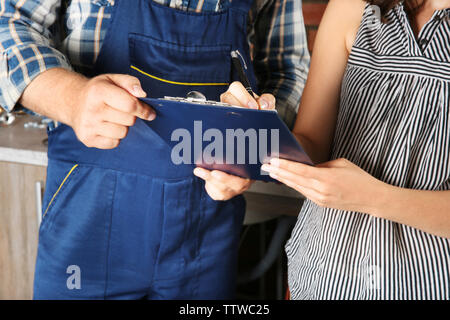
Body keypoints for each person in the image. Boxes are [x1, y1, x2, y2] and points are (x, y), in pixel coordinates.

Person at [0, 0, 309, 299]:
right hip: (86, 217)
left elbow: (286, 70)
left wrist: (250, 146)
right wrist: (72, 97)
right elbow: (9, 23)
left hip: (205, 232)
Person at [253, 0, 449, 299]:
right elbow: (311, 145)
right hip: (322, 274)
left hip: (427, 283)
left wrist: (372, 197)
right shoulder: (350, 7)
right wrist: (252, 129)